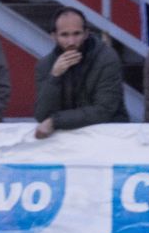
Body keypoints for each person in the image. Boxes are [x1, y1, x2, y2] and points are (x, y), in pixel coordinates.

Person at [34, 7, 129, 139]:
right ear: (54, 36)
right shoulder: (46, 65)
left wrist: (55, 121)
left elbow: (104, 110)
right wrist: (54, 77)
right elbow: (42, 115)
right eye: (64, 35)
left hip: (108, 137)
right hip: (66, 141)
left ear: (86, 33)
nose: (71, 41)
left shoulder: (106, 58)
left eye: (76, 34)